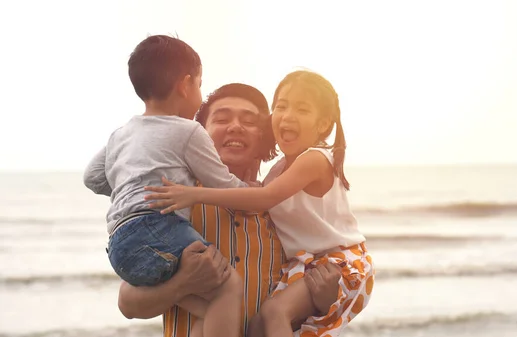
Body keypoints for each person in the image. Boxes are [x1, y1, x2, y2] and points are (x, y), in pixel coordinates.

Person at [144, 70, 375, 337]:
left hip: (330, 263)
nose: (235, 127)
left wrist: (326, 301)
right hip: (306, 265)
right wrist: (181, 283)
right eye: (282, 107)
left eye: (301, 109)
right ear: (198, 133)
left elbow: (263, 198)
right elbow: (129, 300)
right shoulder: (176, 204)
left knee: (273, 313)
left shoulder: (292, 183)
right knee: (260, 324)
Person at [83, 35, 246, 337]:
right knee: (229, 286)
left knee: (212, 306)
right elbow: (224, 185)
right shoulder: (188, 130)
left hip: (119, 245)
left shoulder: (121, 133)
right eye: (199, 83)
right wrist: (258, 194)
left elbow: (92, 177)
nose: (199, 92)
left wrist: (130, 189)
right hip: (158, 229)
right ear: (185, 85)